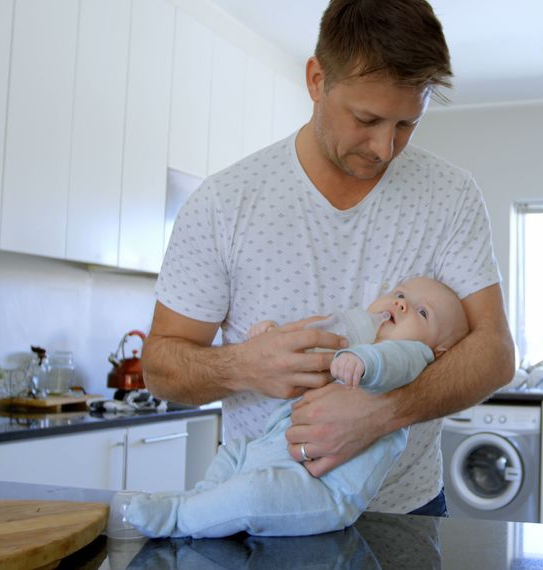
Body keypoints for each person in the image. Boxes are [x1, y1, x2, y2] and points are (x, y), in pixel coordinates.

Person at [142, 0, 515, 518]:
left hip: (405, 511)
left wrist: (382, 412)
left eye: (407, 123)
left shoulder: (450, 195)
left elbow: (494, 353)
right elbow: (160, 367)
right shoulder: (225, 201)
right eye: (367, 119)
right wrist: (240, 366)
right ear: (317, 80)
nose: (386, 147)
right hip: (258, 511)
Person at [124, 277, 468, 538]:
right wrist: (268, 339)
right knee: (232, 453)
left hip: (322, 491)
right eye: (400, 294)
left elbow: (391, 362)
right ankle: (201, 499)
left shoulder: (412, 357)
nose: (403, 304)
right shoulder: (358, 343)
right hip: (275, 454)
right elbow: (297, 363)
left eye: (423, 312)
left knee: (253, 495)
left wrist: (360, 362)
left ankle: (180, 520)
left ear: (437, 352)